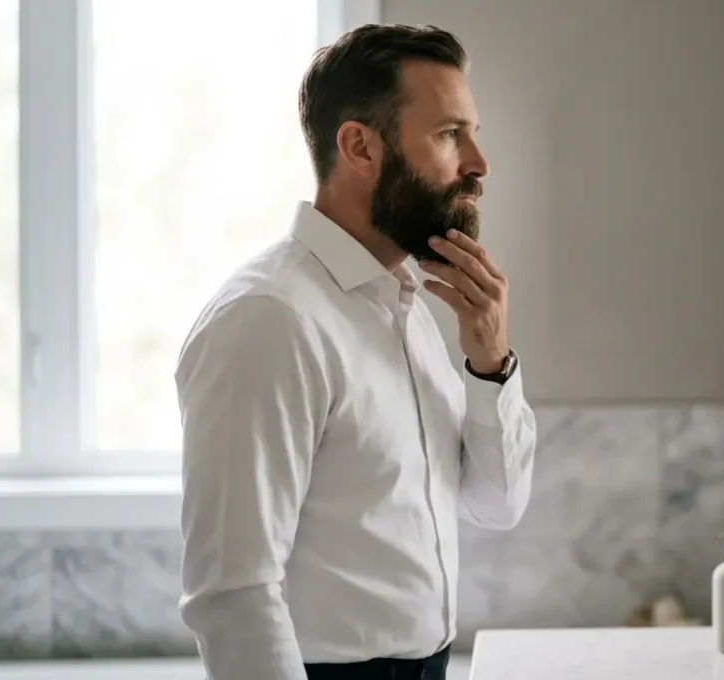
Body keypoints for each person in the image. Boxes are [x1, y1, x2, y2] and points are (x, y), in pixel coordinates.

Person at [174, 24, 536, 680]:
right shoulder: (269, 321)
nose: (479, 162)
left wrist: (491, 363)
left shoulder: (411, 309)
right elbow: (232, 595)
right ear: (360, 147)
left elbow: (496, 505)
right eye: (450, 134)